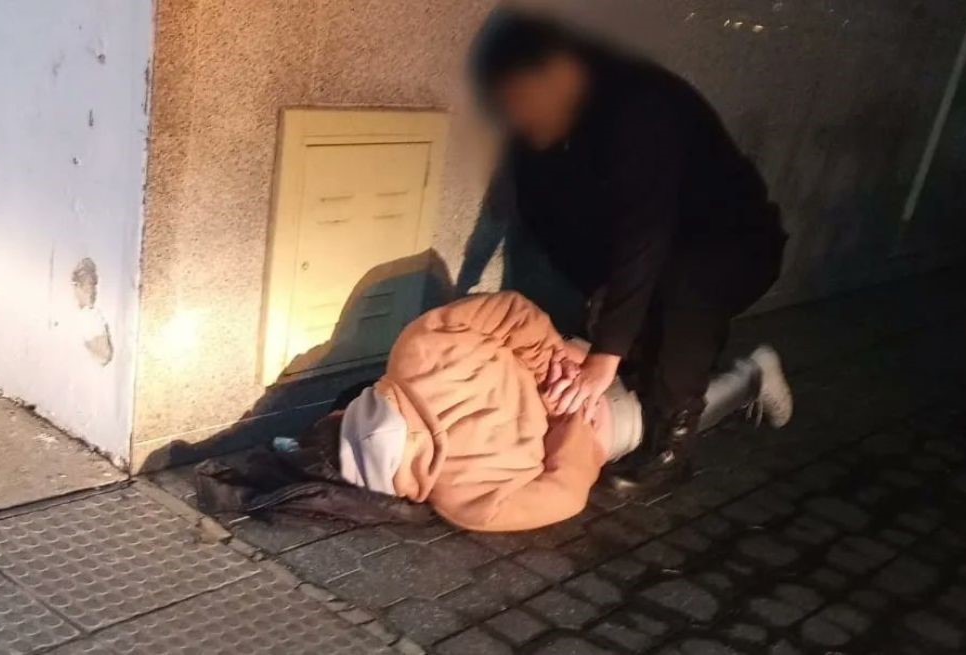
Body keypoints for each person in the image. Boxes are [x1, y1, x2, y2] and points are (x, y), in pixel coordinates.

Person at [459, 10, 791, 494]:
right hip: (656, 262)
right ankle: (743, 374)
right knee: (645, 366)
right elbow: (540, 215)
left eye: (522, 99)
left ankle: (672, 446)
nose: (519, 118)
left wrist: (605, 355)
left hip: (730, 247)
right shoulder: (541, 131)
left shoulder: (641, 104)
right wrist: (598, 308)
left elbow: (646, 230)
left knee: (676, 338)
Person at [293, 291, 789, 532]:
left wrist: (574, 426)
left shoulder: (464, 502)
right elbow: (509, 311)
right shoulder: (418, 350)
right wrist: (561, 369)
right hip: (580, 359)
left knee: (670, 415)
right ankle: (719, 360)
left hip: (596, 420)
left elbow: (564, 495)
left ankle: (749, 377)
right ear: (348, 412)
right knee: (666, 383)